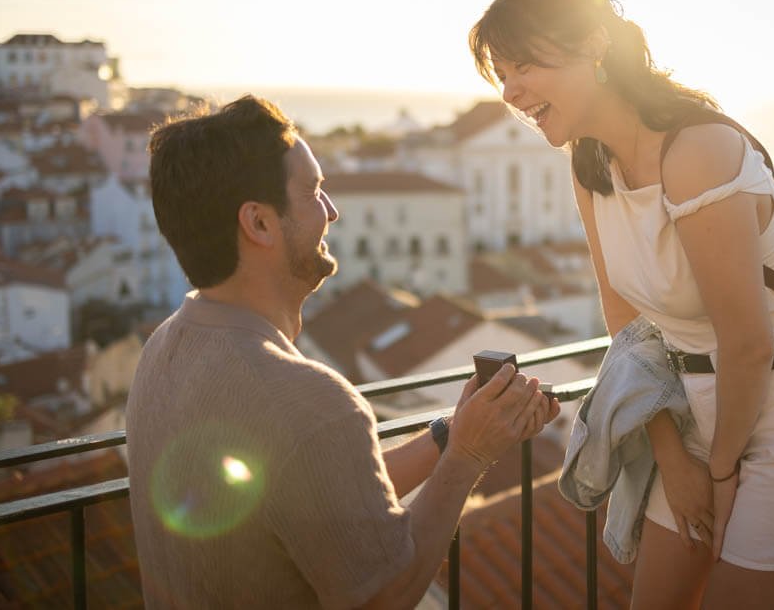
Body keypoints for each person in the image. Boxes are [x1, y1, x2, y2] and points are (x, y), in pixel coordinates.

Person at [469, 0, 774, 609]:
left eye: (525, 65)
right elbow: (629, 329)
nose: (511, 90)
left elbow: (746, 345)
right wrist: (673, 456)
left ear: (593, 46)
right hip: (695, 412)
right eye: (502, 73)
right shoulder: (589, 164)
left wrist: (721, 474)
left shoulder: (696, 152)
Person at [126, 95, 559, 609]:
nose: (332, 211)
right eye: (312, 191)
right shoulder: (305, 399)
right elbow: (384, 594)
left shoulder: (162, 352)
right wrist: (469, 456)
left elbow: (326, 498)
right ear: (259, 223)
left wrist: (451, 433)